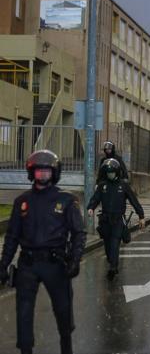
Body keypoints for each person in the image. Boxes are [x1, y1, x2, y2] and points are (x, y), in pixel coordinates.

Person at [0, 150, 86, 354]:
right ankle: (26, 350)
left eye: (47, 171)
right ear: (32, 173)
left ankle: (67, 348)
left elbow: (78, 233)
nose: (42, 175)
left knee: (63, 310)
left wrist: (75, 260)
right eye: (38, 171)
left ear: (54, 173)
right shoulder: (22, 201)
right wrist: (3, 265)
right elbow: (12, 237)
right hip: (27, 264)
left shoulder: (66, 200)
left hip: (55, 263)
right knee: (24, 313)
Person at [87, 158, 145, 280]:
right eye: (108, 172)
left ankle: (113, 267)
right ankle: (112, 262)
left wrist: (141, 216)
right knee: (108, 247)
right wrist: (90, 208)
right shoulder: (102, 186)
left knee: (115, 244)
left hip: (118, 220)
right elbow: (95, 198)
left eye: (112, 172)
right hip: (105, 220)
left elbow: (134, 201)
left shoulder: (123, 186)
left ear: (117, 172)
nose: (110, 174)